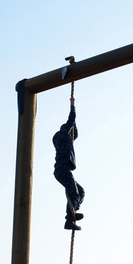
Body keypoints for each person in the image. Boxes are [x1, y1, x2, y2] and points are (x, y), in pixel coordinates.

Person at [53, 96, 85, 230]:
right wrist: (73, 106)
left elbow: (74, 134)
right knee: (74, 192)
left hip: (63, 170)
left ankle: (72, 213)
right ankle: (69, 220)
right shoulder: (61, 135)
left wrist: (74, 125)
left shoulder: (64, 139)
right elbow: (70, 122)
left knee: (80, 191)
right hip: (63, 169)